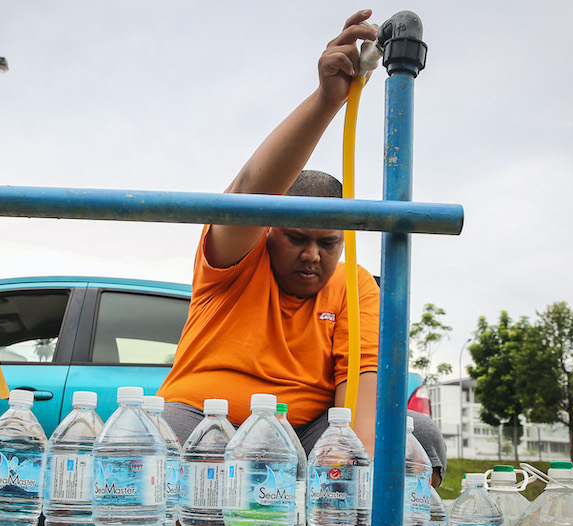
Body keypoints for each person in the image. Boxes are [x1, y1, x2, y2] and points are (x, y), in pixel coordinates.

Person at [158, 9, 447, 484]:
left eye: (328, 243)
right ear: (268, 231)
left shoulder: (354, 286)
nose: (313, 254)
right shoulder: (234, 260)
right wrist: (327, 100)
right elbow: (253, 187)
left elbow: (362, 395)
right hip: (206, 417)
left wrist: (357, 484)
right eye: (296, 238)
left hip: (306, 431)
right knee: (169, 434)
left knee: (418, 434)